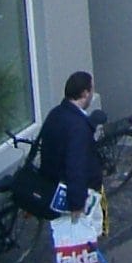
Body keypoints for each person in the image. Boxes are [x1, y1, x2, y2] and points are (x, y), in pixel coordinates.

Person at [38, 69, 104, 215]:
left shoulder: (55, 113)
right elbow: (76, 166)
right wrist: (77, 203)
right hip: (71, 196)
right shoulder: (79, 127)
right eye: (92, 90)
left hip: (53, 188)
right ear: (85, 93)